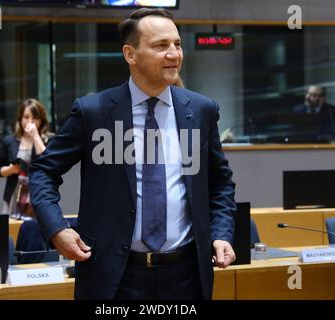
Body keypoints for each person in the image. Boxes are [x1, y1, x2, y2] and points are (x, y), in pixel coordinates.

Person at [29, 8, 236, 300]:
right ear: (130, 54)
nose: (174, 54)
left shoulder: (201, 110)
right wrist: (56, 229)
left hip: (187, 276)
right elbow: (43, 171)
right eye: (161, 46)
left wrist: (221, 234)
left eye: (177, 44)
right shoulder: (94, 112)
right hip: (114, 276)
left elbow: (221, 183)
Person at [0, 98, 52, 219]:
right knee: (9, 233)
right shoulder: (9, 141)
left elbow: (49, 163)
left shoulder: (48, 140)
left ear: (41, 120)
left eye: (35, 118)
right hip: (14, 195)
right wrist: (11, 169)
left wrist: (35, 136)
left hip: (39, 196)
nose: (30, 122)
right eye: (26, 117)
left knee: (36, 234)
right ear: (20, 119)